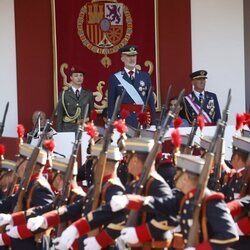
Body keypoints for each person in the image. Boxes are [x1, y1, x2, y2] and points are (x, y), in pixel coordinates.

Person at [108, 45, 156, 128]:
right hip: (124, 120)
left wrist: (153, 123)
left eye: (134, 55)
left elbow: (151, 101)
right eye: (128, 56)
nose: (132, 58)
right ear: (122, 58)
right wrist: (111, 121)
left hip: (142, 119)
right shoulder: (115, 78)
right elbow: (111, 103)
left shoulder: (145, 76)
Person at [57, 67, 94, 132]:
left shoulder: (88, 94)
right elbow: (60, 115)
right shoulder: (64, 94)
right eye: (76, 76)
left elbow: (92, 114)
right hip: (68, 128)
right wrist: (60, 132)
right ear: (71, 78)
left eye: (81, 76)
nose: (79, 78)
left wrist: (91, 129)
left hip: (84, 128)